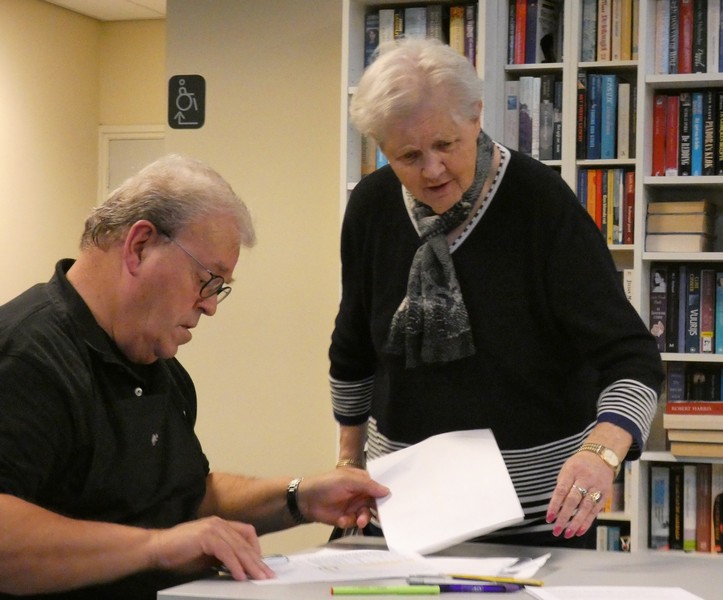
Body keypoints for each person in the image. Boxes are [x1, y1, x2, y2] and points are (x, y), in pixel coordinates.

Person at [0, 155, 389, 599]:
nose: (210, 305)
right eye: (208, 279)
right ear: (140, 246)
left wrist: (300, 497)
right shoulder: (24, 357)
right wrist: (157, 547)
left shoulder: (158, 367)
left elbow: (183, 496)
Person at [329, 39, 664, 548]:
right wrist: (348, 463)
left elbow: (632, 358)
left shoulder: (540, 204)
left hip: (534, 520)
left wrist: (602, 452)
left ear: (476, 116)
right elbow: (353, 348)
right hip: (398, 507)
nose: (432, 170)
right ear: (381, 146)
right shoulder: (371, 207)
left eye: (445, 145)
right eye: (408, 156)